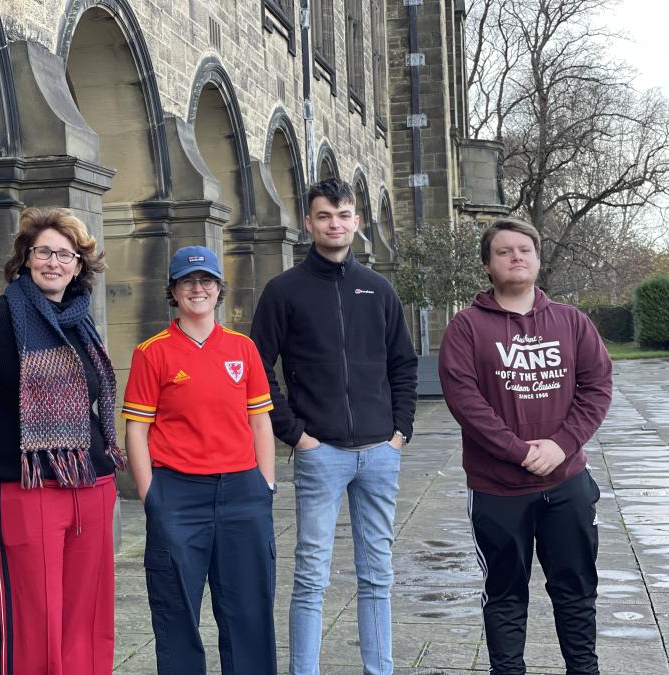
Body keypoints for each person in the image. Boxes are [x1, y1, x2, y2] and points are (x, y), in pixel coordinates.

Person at [250, 177, 418, 675]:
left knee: (376, 575)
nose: (335, 224)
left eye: (344, 215)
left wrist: (399, 430)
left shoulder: (379, 289)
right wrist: (294, 433)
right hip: (319, 451)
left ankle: (378, 669)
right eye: (324, 215)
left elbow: (403, 364)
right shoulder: (284, 291)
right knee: (311, 576)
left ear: (357, 222)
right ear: (309, 222)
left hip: (379, 451)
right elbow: (257, 368)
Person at [0, 207, 125, 675]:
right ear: (25, 258)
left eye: (65, 254)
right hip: (23, 491)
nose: (54, 262)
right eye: (43, 251)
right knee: (33, 618)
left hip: (91, 485)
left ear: (80, 265)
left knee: (87, 617)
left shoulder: (80, 320)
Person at [438, 218, 612, 674]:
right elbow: (465, 401)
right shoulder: (466, 327)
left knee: (575, 590)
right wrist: (519, 451)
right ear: (487, 265)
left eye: (525, 250)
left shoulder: (571, 322)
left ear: (537, 259)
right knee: (505, 594)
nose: (516, 257)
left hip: (567, 483)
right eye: (504, 251)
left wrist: (562, 445)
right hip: (497, 488)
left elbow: (596, 387)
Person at [122, 246, 277, 674]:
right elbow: (137, 429)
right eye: (187, 281)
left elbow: (260, 421)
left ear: (218, 289)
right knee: (176, 611)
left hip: (243, 491)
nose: (197, 289)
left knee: (249, 609)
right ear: (173, 290)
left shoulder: (243, 349)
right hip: (177, 492)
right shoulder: (152, 352)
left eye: (206, 280)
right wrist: (151, 493)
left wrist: (265, 485)